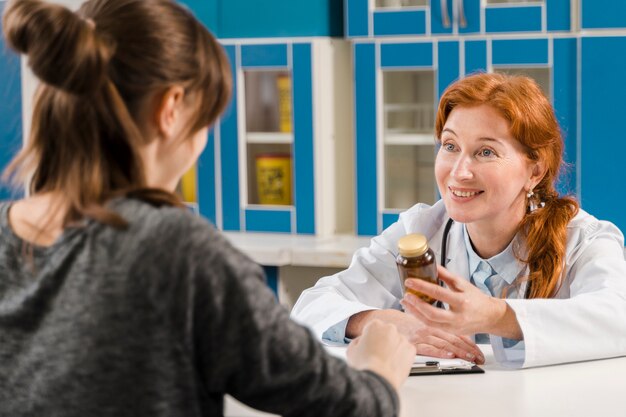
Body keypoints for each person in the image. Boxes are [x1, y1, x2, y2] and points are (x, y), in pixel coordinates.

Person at [0, 0, 416, 416]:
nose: (199, 147)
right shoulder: (175, 249)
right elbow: (350, 406)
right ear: (171, 108)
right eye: (204, 122)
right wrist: (378, 368)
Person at [291, 72, 626, 369]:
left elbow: (617, 319)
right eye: (450, 146)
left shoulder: (585, 240)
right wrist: (383, 321)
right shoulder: (421, 229)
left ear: (534, 171)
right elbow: (312, 305)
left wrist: (497, 316)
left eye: (486, 152)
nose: (459, 172)